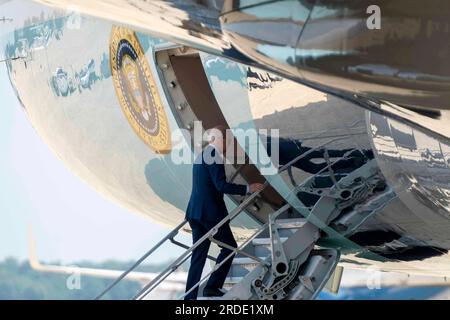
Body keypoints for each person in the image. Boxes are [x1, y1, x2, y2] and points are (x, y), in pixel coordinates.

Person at [184, 125, 264, 300]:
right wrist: (247, 189)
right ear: (218, 140)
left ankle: (189, 299)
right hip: (210, 215)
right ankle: (212, 287)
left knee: (199, 255)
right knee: (229, 248)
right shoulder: (214, 156)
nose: (228, 143)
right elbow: (221, 185)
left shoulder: (201, 155)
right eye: (227, 140)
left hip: (195, 213)